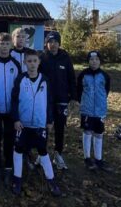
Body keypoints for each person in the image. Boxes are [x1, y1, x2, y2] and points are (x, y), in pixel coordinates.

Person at [11, 49, 61, 197]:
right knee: (18, 149)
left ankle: (51, 180)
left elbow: (49, 101)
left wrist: (49, 120)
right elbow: (14, 101)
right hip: (23, 124)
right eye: (29, 61)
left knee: (43, 151)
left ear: (39, 62)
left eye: (35, 61)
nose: (32, 64)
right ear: (25, 63)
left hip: (39, 124)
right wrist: (16, 119)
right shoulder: (20, 79)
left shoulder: (45, 80)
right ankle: (17, 179)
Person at [0, 32, 22, 186]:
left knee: (9, 139)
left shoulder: (15, 64)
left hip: (11, 111)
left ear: (11, 46)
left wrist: (16, 110)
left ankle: (8, 167)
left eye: (7, 44)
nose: (4, 46)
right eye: (1, 43)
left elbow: (18, 89)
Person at [39, 31, 76, 170]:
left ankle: (58, 154)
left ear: (59, 43)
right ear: (46, 44)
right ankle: (42, 154)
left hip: (61, 99)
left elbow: (71, 78)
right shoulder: (42, 58)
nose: (53, 44)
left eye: (55, 42)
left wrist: (74, 97)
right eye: (50, 42)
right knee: (44, 127)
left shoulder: (65, 58)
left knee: (60, 128)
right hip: (45, 99)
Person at [77, 51, 112, 172]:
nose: (94, 62)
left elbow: (106, 90)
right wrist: (82, 102)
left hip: (100, 110)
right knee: (87, 132)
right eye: (91, 59)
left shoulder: (105, 75)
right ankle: (87, 158)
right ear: (88, 61)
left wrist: (100, 102)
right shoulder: (83, 75)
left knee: (99, 133)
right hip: (87, 110)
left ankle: (98, 159)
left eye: (97, 59)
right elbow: (79, 90)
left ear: (100, 61)